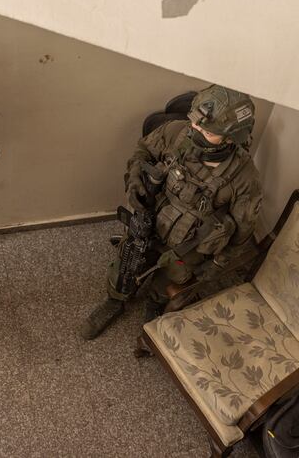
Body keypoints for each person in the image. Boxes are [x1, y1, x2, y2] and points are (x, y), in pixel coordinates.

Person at [81, 85, 262, 340]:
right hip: (152, 219)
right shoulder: (176, 132)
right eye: (195, 124)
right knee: (127, 262)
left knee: (169, 278)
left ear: (232, 138)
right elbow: (143, 151)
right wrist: (134, 182)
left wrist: (217, 264)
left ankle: (155, 303)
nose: (195, 130)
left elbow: (243, 230)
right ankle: (116, 300)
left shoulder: (244, 179)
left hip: (190, 245)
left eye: (207, 131)